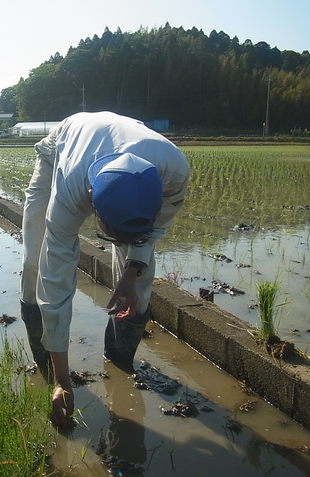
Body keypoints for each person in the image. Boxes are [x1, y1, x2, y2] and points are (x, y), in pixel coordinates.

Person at [20, 111, 190, 427]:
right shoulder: (71, 190)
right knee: (35, 260)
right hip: (60, 150)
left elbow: (150, 233)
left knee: (141, 280)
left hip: (129, 155)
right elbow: (55, 275)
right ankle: (45, 361)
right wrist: (62, 379)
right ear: (93, 208)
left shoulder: (174, 175)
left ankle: (120, 358)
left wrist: (130, 273)